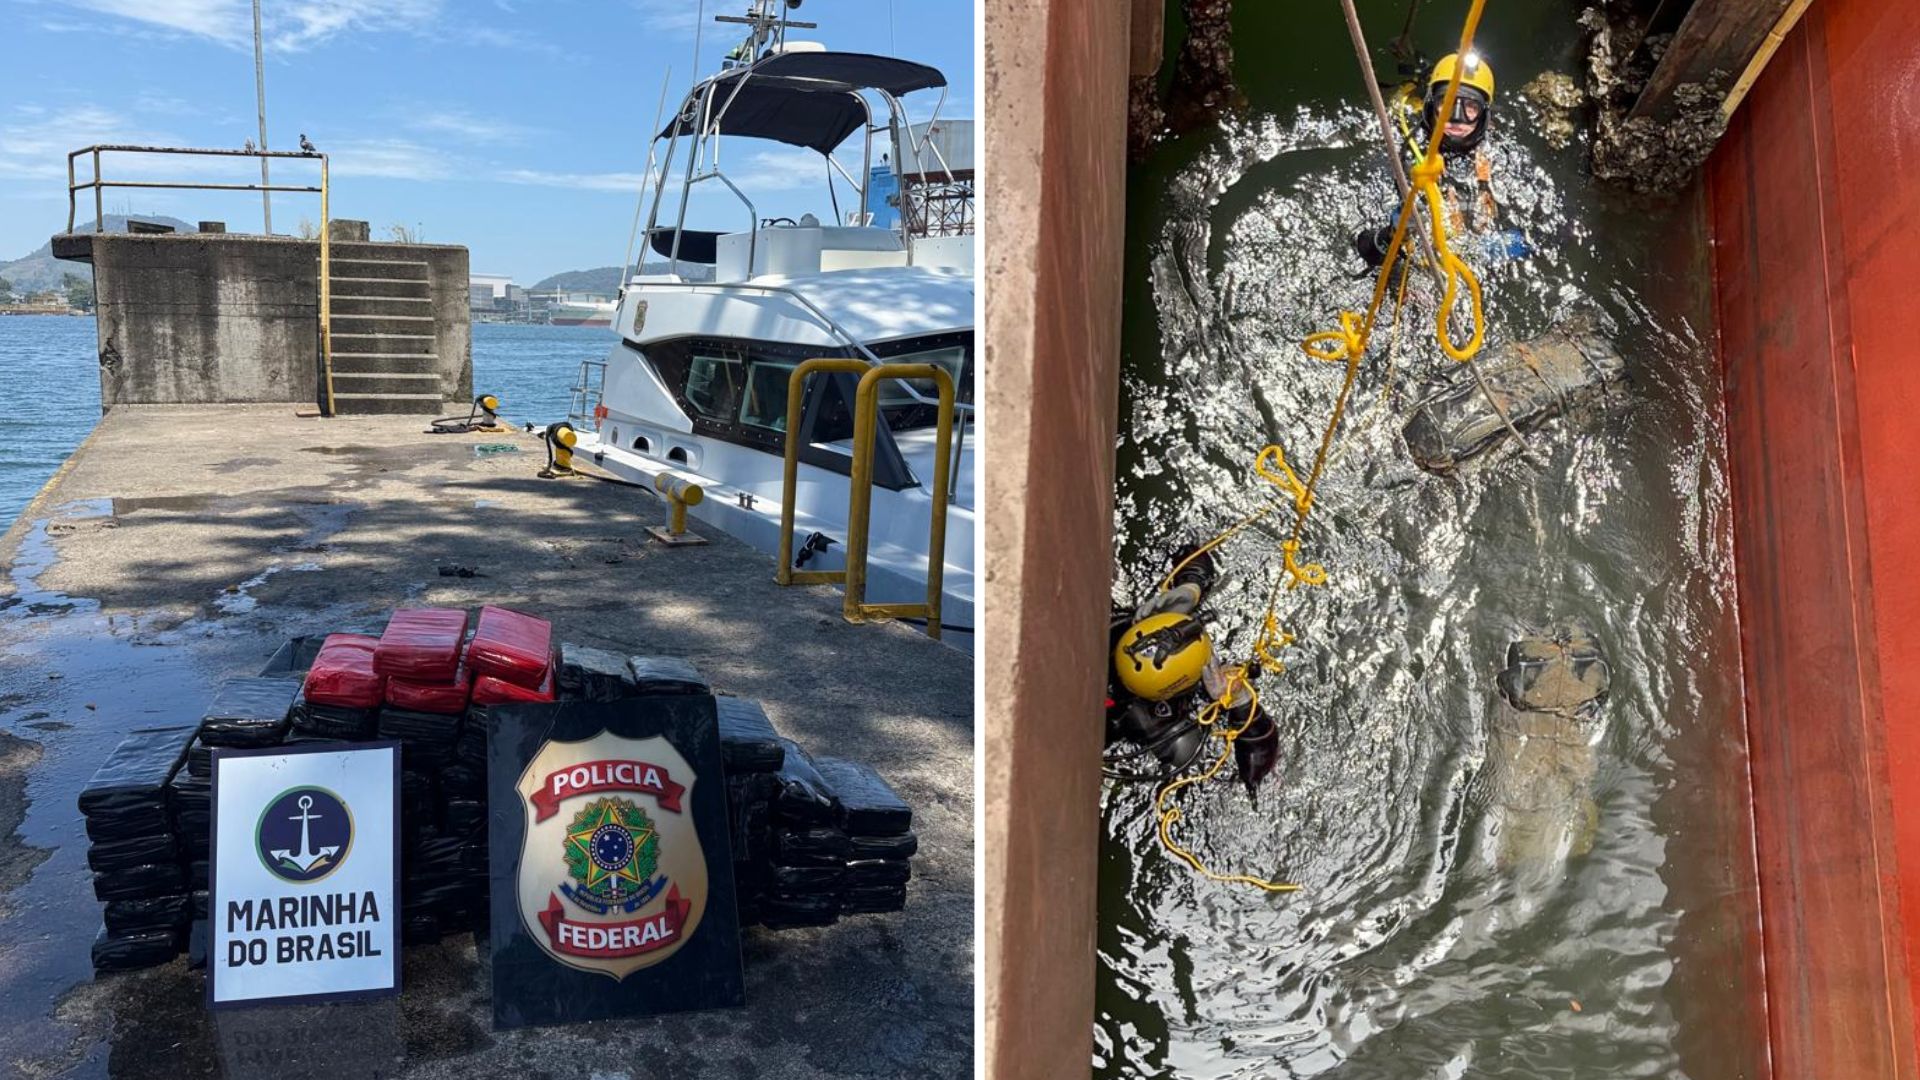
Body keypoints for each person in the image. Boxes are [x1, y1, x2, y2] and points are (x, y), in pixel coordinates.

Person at [1104, 546, 1279, 802]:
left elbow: (1192, 555)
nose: (1213, 662)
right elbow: (1253, 771)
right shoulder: (1171, 735)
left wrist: (1191, 588)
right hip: (1128, 737)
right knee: (1186, 751)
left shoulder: (1117, 630)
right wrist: (1240, 704)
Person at [1353, 51, 1527, 272]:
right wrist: (1392, 234)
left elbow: (1546, 235)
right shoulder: (1402, 153)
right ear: (1430, 106)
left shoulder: (1499, 154)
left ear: (1484, 115)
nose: (1455, 117)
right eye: (1446, 102)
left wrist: (1494, 249)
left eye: (1470, 107)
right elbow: (1362, 245)